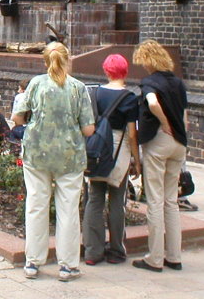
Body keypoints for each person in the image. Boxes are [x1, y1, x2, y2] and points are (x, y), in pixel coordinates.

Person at [13, 42, 95, 282]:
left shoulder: (35, 84)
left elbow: (17, 118)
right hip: (70, 155)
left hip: (37, 153)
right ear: (68, 60)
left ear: (45, 61)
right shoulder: (78, 88)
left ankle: (33, 262)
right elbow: (89, 129)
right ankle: (68, 265)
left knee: (36, 205)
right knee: (68, 209)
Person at [132, 40, 188, 273]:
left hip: (159, 141)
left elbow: (153, 103)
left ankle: (154, 258)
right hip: (179, 143)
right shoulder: (178, 83)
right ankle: (174, 256)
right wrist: (179, 134)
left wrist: (164, 123)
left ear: (148, 60)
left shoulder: (150, 82)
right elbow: (185, 115)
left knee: (154, 200)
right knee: (171, 201)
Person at [82, 54, 141, 266]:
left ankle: (92, 251)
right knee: (117, 201)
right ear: (125, 71)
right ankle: (116, 250)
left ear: (106, 71)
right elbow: (132, 134)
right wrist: (137, 159)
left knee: (94, 200)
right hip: (119, 151)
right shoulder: (130, 98)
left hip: (98, 150)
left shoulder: (95, 93)